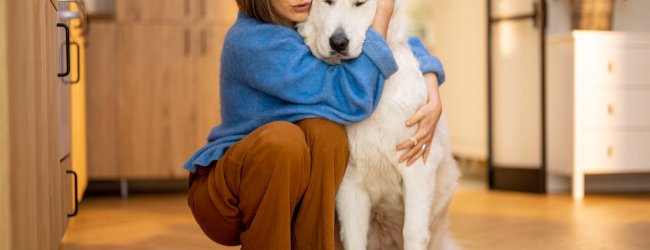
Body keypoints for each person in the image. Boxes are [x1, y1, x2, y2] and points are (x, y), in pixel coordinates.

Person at [185, 0, 446, 249]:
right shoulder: (254, 42)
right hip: (227, 198)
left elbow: (401, 39)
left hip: (287, 181)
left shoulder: (303, 18)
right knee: (285, 139)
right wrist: (381, 24)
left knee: (325, 131)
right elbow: (351, 97)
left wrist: (430, 76)